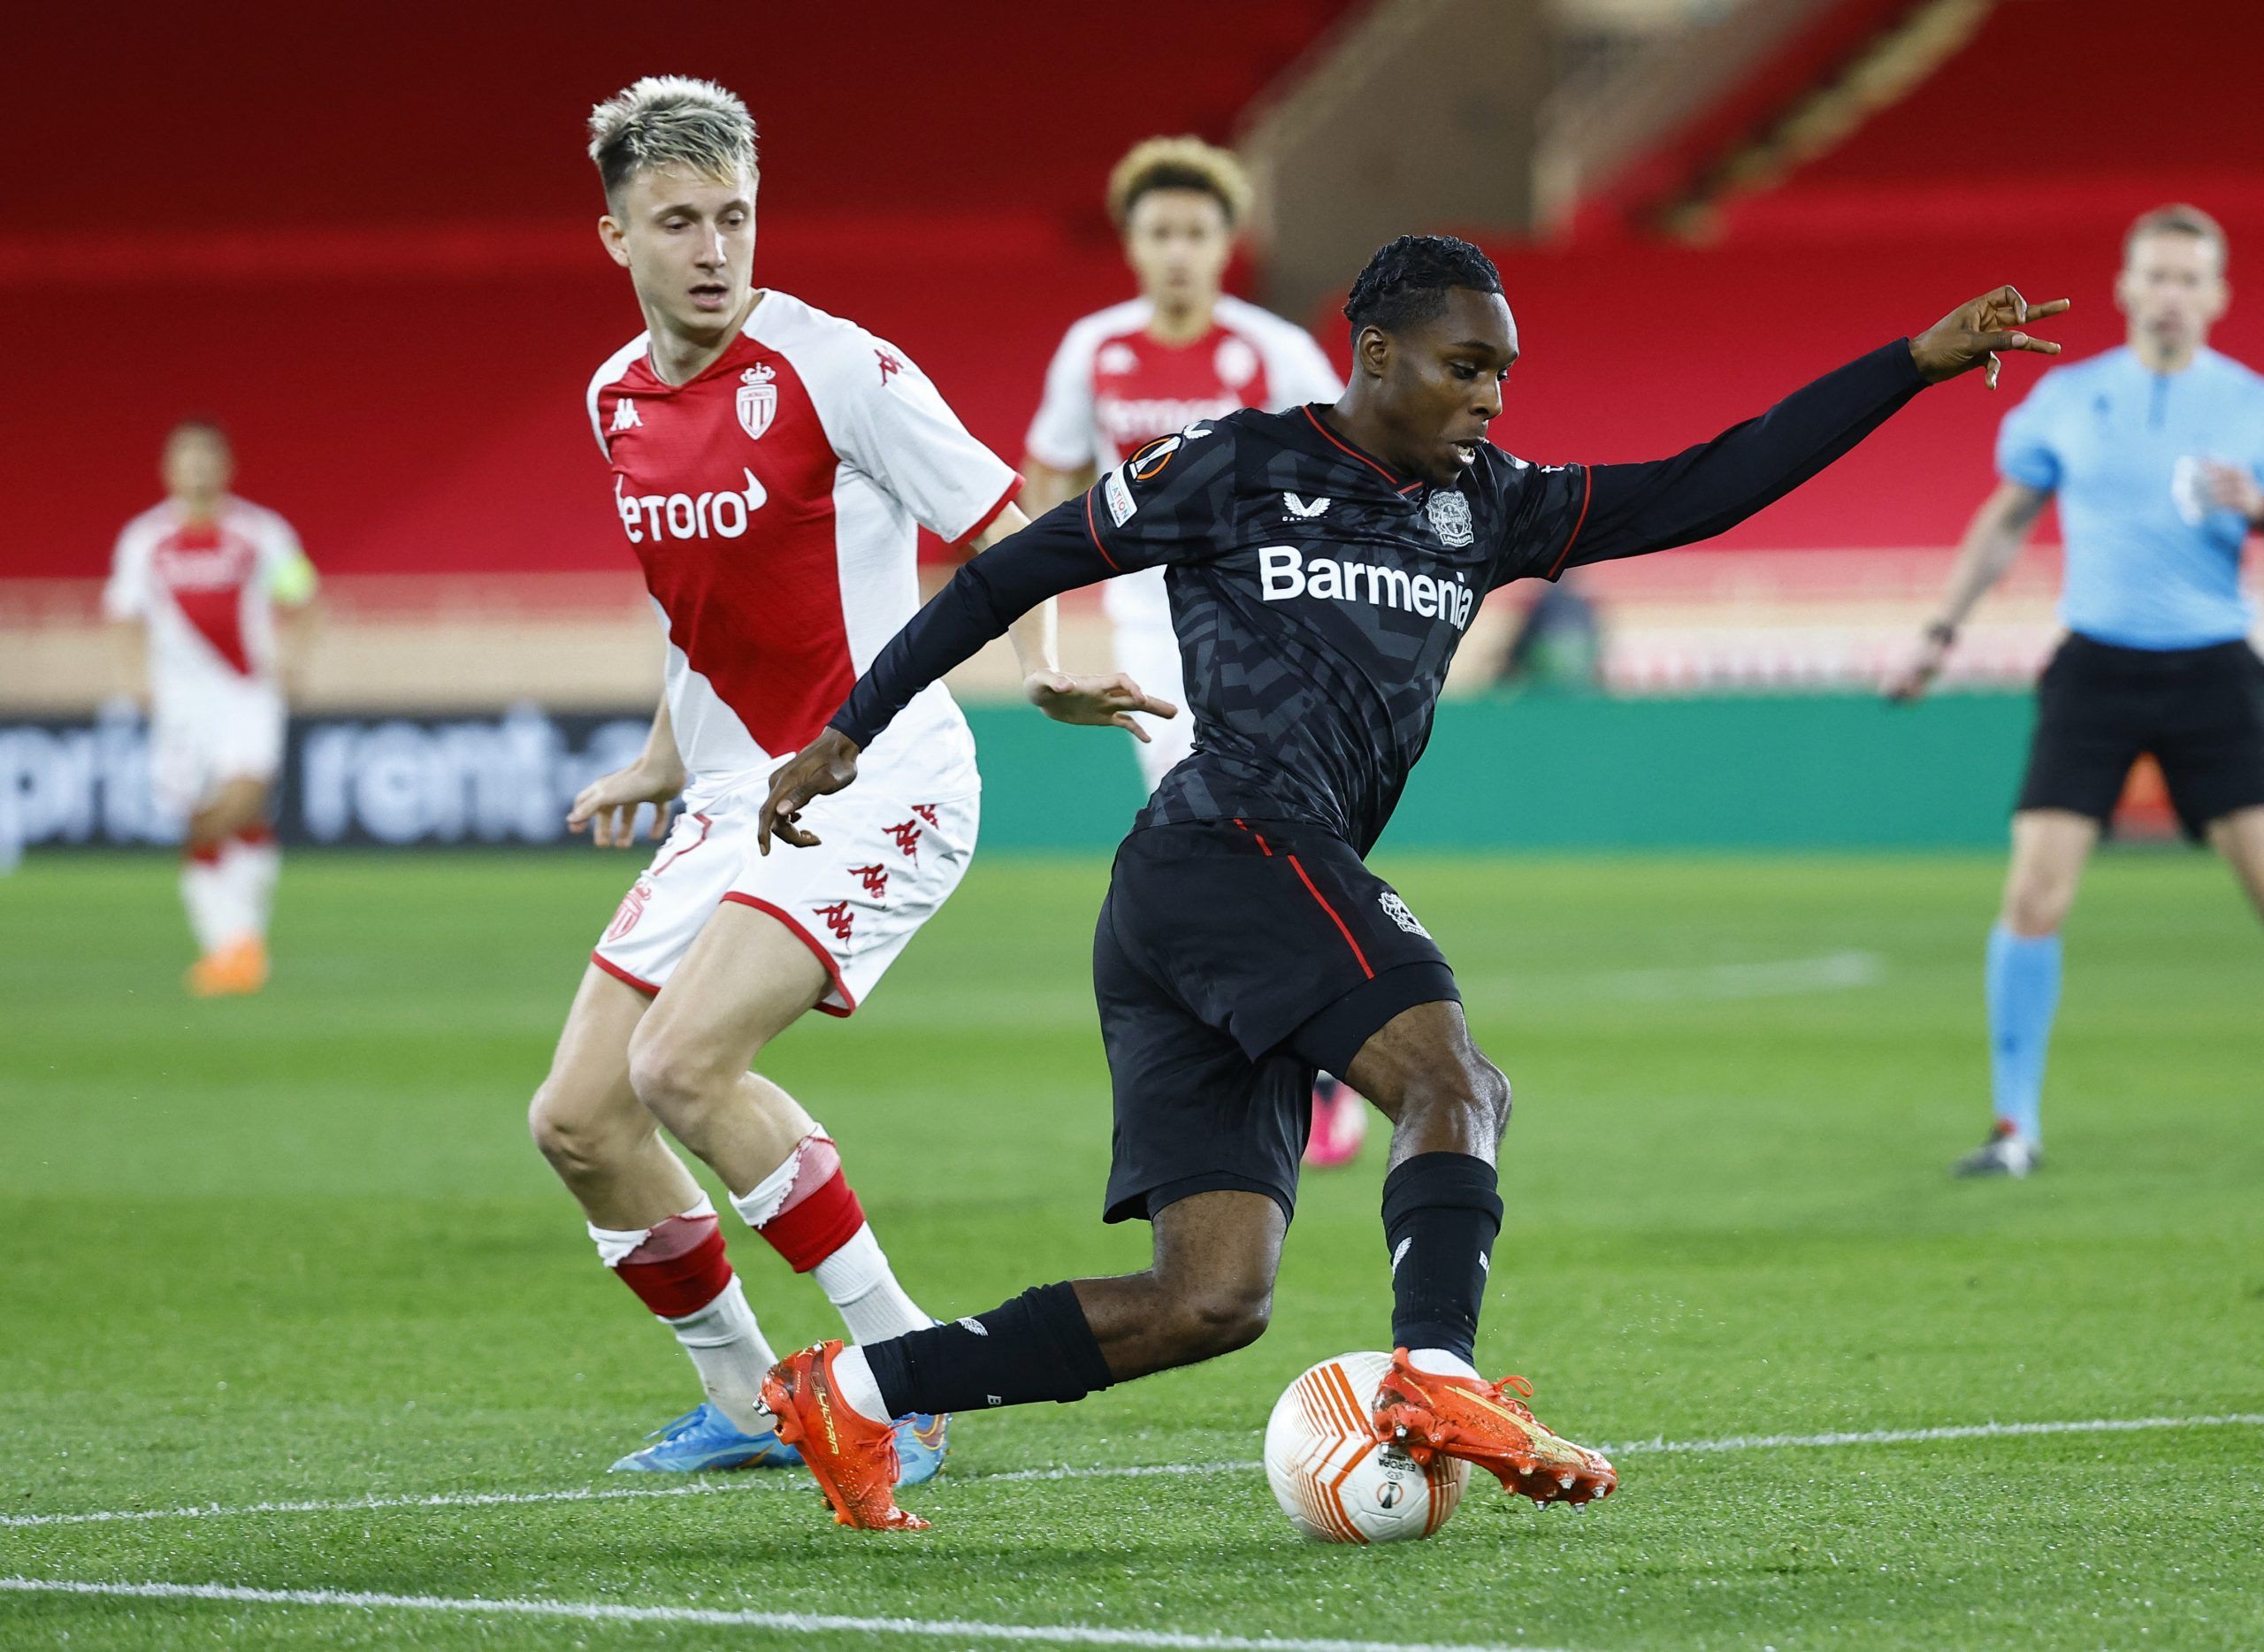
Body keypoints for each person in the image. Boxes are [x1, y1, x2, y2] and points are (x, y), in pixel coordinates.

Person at [756, 234, 2062, 1529]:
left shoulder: (1487, 501)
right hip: (1232, 840)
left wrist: (1913, 366)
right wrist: (848, 729)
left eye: (1503, 372)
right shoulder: (1236, 463)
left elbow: (1710, 485)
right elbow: (1009, 569)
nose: (1492, 397)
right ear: (1377, 355)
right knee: (1456, 1080)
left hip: (1219, 892)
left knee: (1209, 1299)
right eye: (1466, 367)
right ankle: (1437, 1374)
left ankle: (860, 1389)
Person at [532, 77, 1160, 1480]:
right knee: (578, 1117)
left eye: (736, 217)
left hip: (883, 770)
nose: (713, 248)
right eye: (678, 221)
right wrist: (660, 751)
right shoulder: (612, 400)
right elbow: (697, 609)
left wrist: (1047, 660)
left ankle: (904, 1380)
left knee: (684, 1064)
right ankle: (756, 1401)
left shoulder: (835, 367)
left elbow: (1009, 523)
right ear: (614, 238)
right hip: (732, 793)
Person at [1888, 204, 2264, 1179]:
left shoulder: (2250, 404)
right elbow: (2006, 520)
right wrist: (1938, 633)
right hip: (2095, 664)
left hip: (2215, 664)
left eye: (2191, 278)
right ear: (2127, 288)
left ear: (2218, 295)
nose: (2172, 295)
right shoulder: (2066, 398)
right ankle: (2014, 1125)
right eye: (2157, 275)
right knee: (2033, 892)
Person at [1018, 138, 1368, 1170]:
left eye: (1195, 231)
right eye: (1158, 230)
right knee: (1207, 842)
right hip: (1144, 626)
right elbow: (1046, 477)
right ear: (1132, 242)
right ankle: (1297, 1060)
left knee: (1246, 835)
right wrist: (1039, 602)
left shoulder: (1272, 353)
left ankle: (1311, 1064)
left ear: (1227, 243)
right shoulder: (1095, 349)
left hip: (1260, 625)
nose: (1176, 250)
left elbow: (1345, 467)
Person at [104, 419, 317, 996]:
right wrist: (134, 680)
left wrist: (293, 659)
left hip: (248, 694)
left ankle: (239, 948)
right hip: (181, 707)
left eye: (207, 458)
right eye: (186, 459)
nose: (197, 469)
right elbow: (122, 616)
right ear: (168, 469)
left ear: (225, 466)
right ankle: (233, 948)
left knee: (242, 798)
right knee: (203, 824)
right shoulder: (143, 540)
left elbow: (301, 593)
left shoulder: (262, 533)